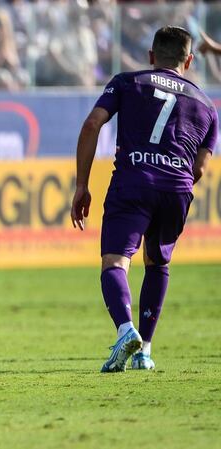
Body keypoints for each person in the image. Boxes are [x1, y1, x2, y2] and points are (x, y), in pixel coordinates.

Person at [70, 26, 216, 373]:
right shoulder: (208, 106)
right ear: (190, 60)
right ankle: (145, 351)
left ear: (151, 57)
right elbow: (200, 168)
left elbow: (92, 125)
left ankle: (125, 331)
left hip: (133, 181)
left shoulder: (127, 82)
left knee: (115, 263)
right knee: (158, 263)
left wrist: (81, 185)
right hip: (177, 188)